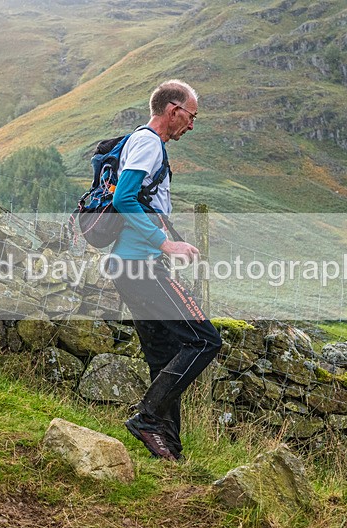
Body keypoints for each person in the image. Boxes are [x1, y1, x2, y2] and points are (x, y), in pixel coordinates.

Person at [108, 79, 222, 461]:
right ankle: (147, 417)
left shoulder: (145, 144)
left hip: (132, 266)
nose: (191, 125)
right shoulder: (147, 143)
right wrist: (165, 244)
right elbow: (123, 198)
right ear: (174, 110)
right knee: (205, 340)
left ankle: (167, 450)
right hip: (140, 266)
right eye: (191, 117)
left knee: (164, 353)